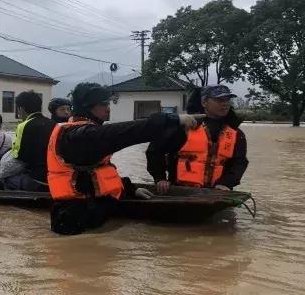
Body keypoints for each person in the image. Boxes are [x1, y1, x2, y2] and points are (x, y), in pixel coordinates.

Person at [47, 82, 202, 235]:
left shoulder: (87, 132)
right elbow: (126, 132)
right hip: (72, 219)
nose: (108, 109)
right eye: (103, 104)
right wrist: (171, 120)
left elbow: (99, 171)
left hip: (92, 213)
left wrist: (130, 189)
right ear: (88, 107)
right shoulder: (77, 136)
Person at [146, 85, 249, 194]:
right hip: (179, 190)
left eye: (227, 100)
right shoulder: (183, 127)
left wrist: (226, 183)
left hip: (217, 191)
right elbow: (154, 151)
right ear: (204, 102)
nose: (225, 103)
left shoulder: (236, 134)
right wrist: (160, 178)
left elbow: (240, 162)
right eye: (219, 100)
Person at [1, 91, 55, 191]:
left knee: (5, 178)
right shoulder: (53, 123)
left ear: (21, 108)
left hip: (37, 180)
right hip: (53, 178)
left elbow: (19, 156)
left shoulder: (24, 125)